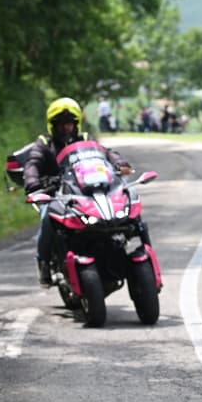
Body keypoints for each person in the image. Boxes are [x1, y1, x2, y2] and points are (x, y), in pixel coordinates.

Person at [22, 97, 133, 285]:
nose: (67, 128)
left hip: (85, 190)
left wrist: (119, 163)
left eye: (70, 124)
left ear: (77, 124)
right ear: (53, 125)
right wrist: (33, 182)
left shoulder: (86, 139)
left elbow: (106, 152)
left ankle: (117, 251)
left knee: (119, 206)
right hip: (57, 193)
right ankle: (43, 262)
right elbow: (33, 163)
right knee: (46, 217)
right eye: (62, 124)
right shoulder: (44, 142)